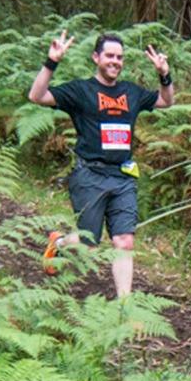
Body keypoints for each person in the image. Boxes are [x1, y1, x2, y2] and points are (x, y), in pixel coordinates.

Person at [28, 30, 173, 299]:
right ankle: (59, 242)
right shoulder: (81, 91)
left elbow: (166, 101)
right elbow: (37, 96)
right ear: (96, 57)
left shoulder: (131, 92)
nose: (115, 61)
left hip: (123, 176)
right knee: (88, 244)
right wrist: (52, 61)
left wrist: (164, 75)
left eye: (119, 57)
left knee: (124, 241)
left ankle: (124, 307)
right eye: (109, 56)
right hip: (90, 175)